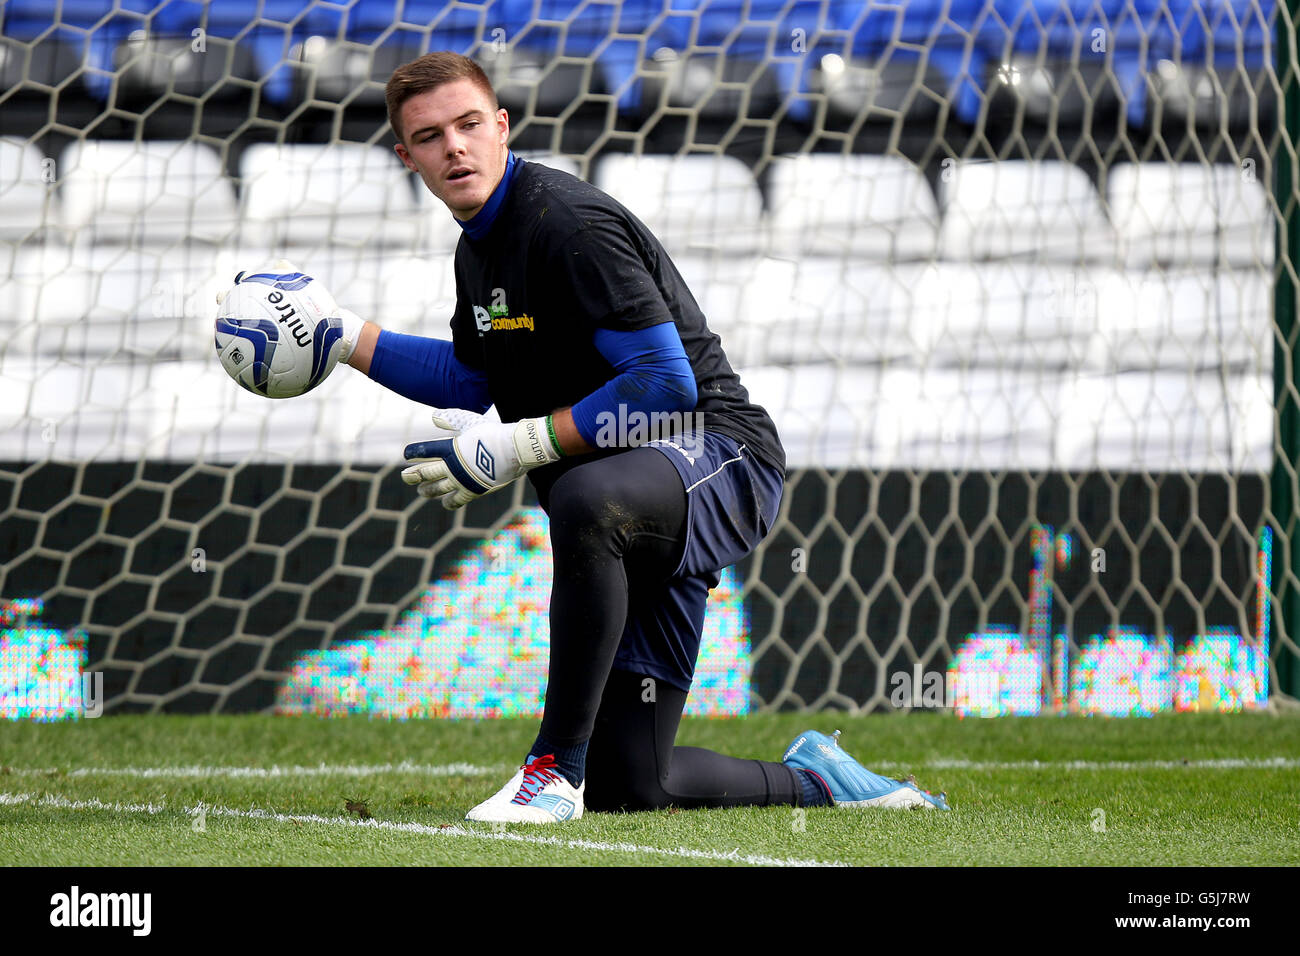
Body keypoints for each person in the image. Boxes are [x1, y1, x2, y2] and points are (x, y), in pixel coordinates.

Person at [331, 51, 948, 821]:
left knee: (585, 499)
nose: (453, 147)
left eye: (467, 126)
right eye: (429, 137)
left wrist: (516, 447)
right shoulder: (476, 249)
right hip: (633, 498)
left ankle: (552, 772)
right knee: (637, 785)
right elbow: (472, 380)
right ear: (407, 157)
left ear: (502, 127)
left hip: (719, 456)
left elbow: (665, 384)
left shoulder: (567, 221)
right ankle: (823, 780)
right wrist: (346, 339)